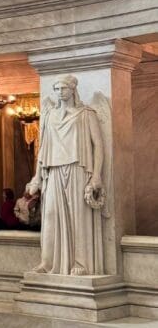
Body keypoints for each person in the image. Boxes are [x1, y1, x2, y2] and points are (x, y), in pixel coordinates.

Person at [27, 74, 104, 276]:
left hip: (77, 168)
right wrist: (37, 177)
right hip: (53, 169)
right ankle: (48, 261)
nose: (60, 92)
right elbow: (43, 149)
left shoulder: (86, 114)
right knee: (50, 215)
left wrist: (96, 175)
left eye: (63, 88)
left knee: (76, 217)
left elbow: (99, 146)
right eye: (56, 89)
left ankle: (80, 261)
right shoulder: (50, 115)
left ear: (72, 89)